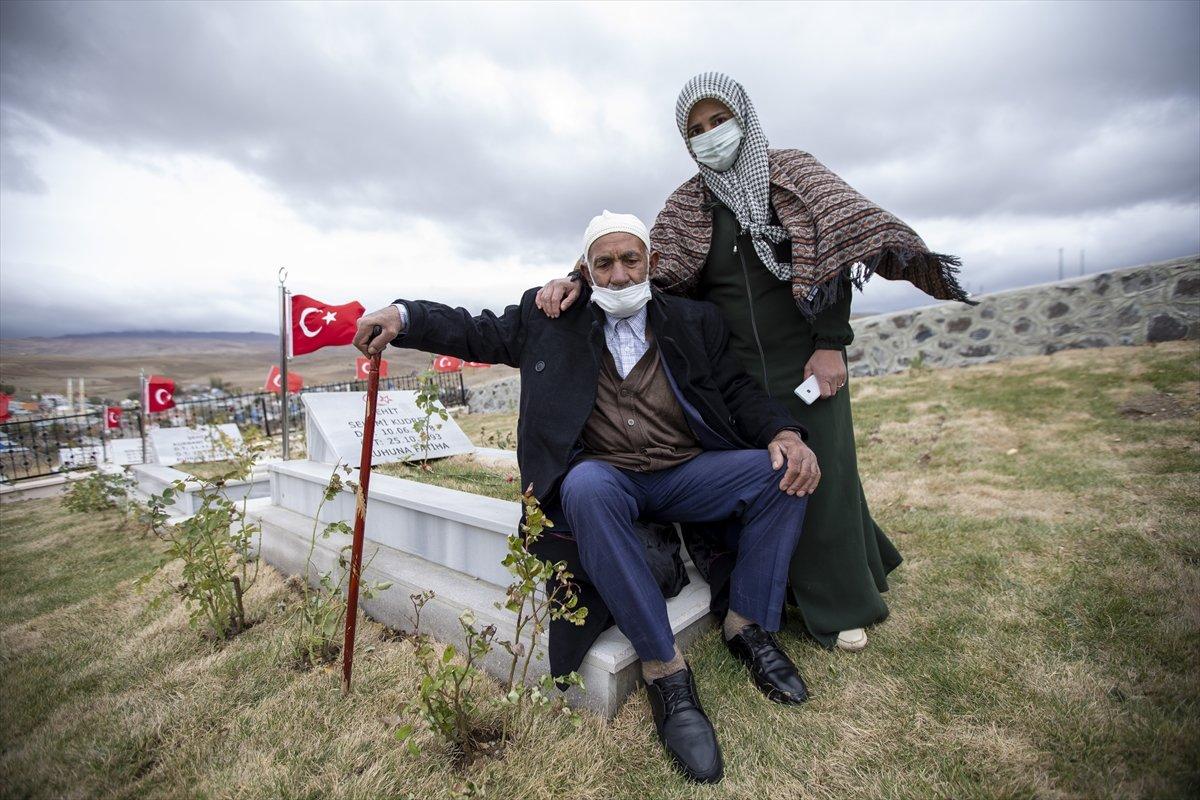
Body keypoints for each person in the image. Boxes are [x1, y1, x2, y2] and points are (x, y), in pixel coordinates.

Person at [355, 210, 821, 785]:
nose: (620, 274)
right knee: (585, 485)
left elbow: (735, 390)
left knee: (782, 472)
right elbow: (473, 330)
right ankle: (665, 670)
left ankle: (747, 625)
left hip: (686, 471)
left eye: (631, 259)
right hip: (610, 479)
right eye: (605, 262)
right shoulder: (551, 316)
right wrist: (402, 316)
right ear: (587, 270)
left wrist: (782, 432)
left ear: (650, 263)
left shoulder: (693, 320)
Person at [537, 72, 974, 653]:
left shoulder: (793, 175)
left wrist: (830, 340)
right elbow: (635, 259)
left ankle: (842, 602)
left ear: (743, 116)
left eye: (719, 121)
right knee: (770, 481)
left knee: (826, 475)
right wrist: (572, 280)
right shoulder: (688, 205)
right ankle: (785, 588)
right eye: (696, 130)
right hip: (734, 374)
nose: (710, 135)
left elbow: (835, 254)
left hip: (804, 361)